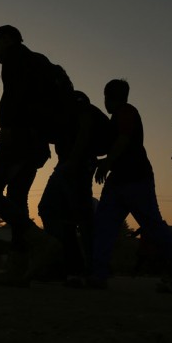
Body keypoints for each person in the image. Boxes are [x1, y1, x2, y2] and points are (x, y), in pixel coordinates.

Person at [85, 80, 172, 292]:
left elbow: (124, 139)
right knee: (105, 226)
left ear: (108, 96)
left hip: (135, 179)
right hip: (120, 179)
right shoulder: (118, 117)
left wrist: (107, 162)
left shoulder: (126, 112)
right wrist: (105, 161)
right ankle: (98, 274)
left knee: (152, 226)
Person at [0, 25, 68, 286]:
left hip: (17, 138)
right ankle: (18, 268)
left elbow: (14, 97)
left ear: (6, 39)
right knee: (17, 197)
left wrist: (7, 128)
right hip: (38, 142)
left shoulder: (15, 58)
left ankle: (40, 241)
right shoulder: (41, 62)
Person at [38, 90, 110, 279]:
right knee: (58, 212)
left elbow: (85, 128)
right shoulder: (60, 111)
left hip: (75, 164)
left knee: (80, 216)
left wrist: (74, 160)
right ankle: (71, 264)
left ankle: (88, 268)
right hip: (69, 165)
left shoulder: (75, 100)